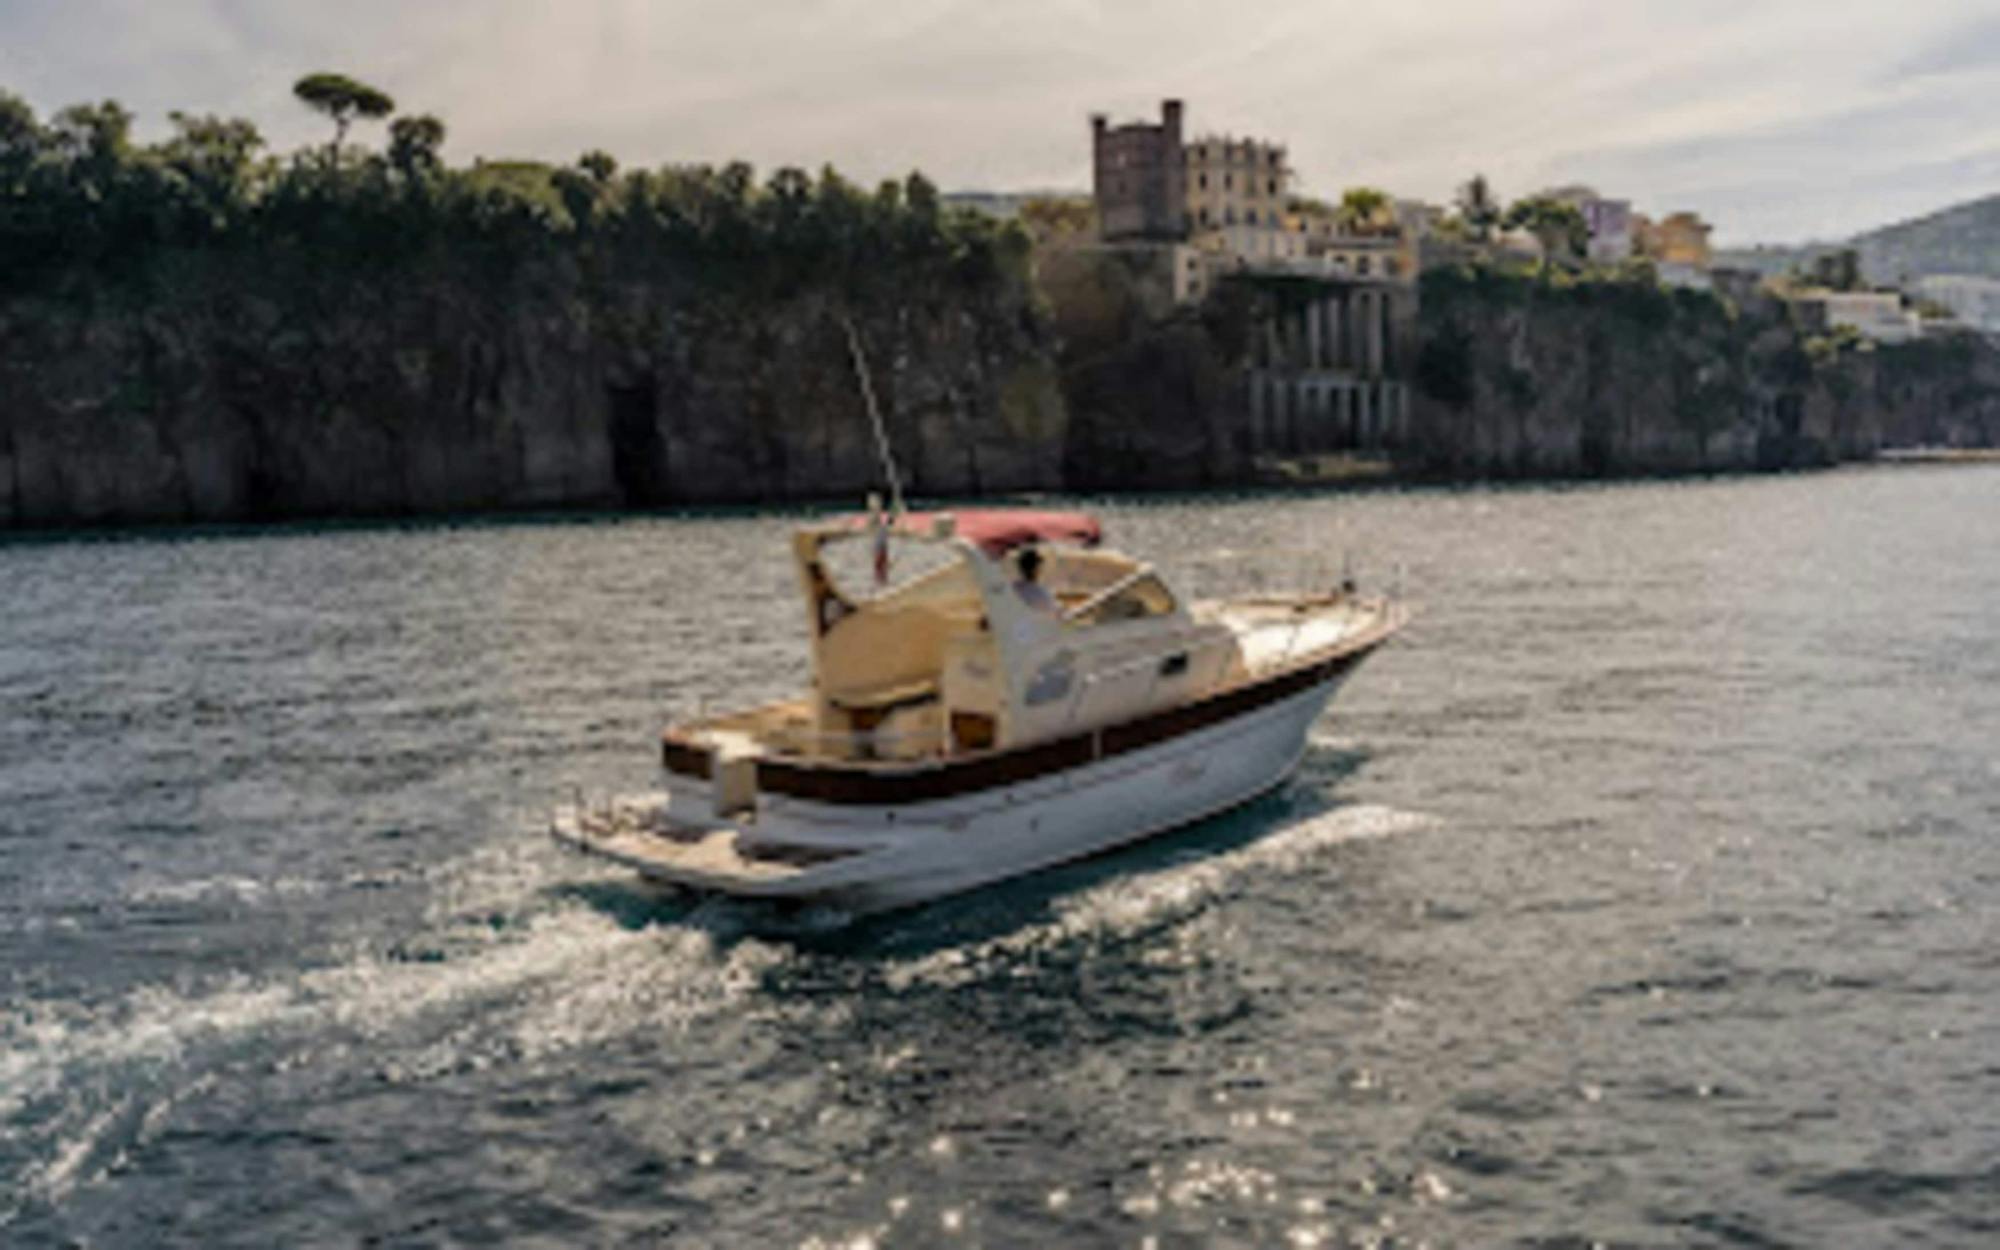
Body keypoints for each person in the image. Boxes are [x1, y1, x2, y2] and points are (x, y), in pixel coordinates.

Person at [1013, 547, 1056, 614]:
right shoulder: (1041, 593)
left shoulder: (1013, 588)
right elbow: (1052, 614)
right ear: (1036, 569)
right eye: (1040, 565)